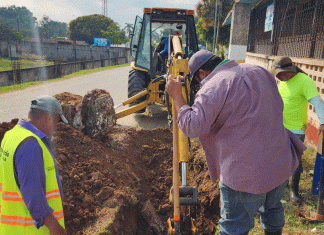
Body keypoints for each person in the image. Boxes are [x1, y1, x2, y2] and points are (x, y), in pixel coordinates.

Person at [166, 50, 306, 235]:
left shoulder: (214, 85)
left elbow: (192, 127)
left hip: (245, 172)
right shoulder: (259, 71)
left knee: (234, 227)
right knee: (272, 210)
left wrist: (177, 96)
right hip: (279, 160)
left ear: (202, 73)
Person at [0, 95, 68, 235]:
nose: (55, 128)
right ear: (48, 119)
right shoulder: (31, 145)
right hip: (31, 230)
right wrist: (54, 227)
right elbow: (33, 193)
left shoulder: (11, 136)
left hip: (12, 228)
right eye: (56, 122)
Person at [271, 57, 324, 204]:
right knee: (279, 157)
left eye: (280, 74)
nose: (278, 77)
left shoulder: (305, 81)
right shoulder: (283, 82)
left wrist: (323, 122)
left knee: (295, 160)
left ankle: (294, 192)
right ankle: (281, 185)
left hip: (296, 129)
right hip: (279, 126)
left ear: (289, 71)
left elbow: (317, 102)